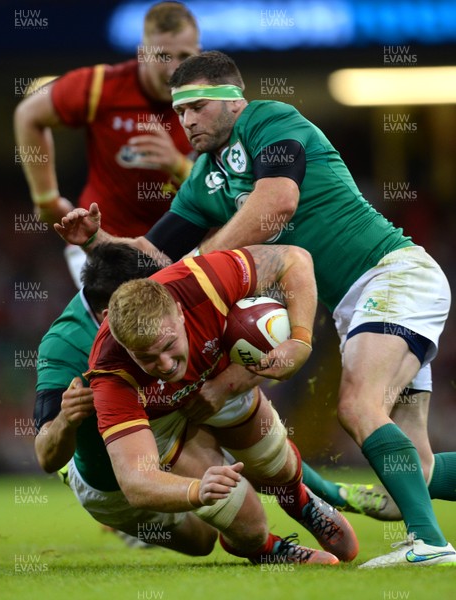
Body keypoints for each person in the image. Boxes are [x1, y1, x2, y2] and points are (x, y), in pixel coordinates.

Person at [62, 50, 455, 567]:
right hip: (359, 304)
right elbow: (154, 260)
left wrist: (202, 267)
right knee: (416, 466)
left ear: (232, 100)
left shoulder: (270, 121)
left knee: (359, 408)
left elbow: (277, 205)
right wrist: (100, 242)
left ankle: (428, 546)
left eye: (198, 106)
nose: (187, 121)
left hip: (392, 274)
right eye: (180, 112)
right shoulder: (203, 179)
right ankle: (426, 535)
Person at [86, 243, 363, 565]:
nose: (164, 365)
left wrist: (300, 340)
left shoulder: (202, 282)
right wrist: (195, 491)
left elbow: (295, 259)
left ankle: (299, 501)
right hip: (160, 420)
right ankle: (265, 549)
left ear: (178, 311)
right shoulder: (109, 373)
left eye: (169, 345)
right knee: (244, 517)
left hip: (216, 378)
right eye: (146, 357)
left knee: (277, 465)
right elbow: (136, 481)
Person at [35, 242, 217, 554]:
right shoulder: (64, 345)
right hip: (111, 482)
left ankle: (309, 505)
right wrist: (66, 420)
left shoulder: (160, 311)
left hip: (165, 431)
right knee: (204, 540)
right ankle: (122, 520)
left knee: (234, 436)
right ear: (111, 311)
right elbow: (45, 456)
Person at [14, 1, 199, 286]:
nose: (173, 69)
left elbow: (225, 190)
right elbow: (28, 114)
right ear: (142, 53)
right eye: (162, 55)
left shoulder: (210, 101)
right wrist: (46, 199)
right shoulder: (102, 86)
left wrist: (178, 165)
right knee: (125, 324)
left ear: (197, 55)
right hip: (101, 245)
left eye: (184, 56)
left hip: (177, 248)